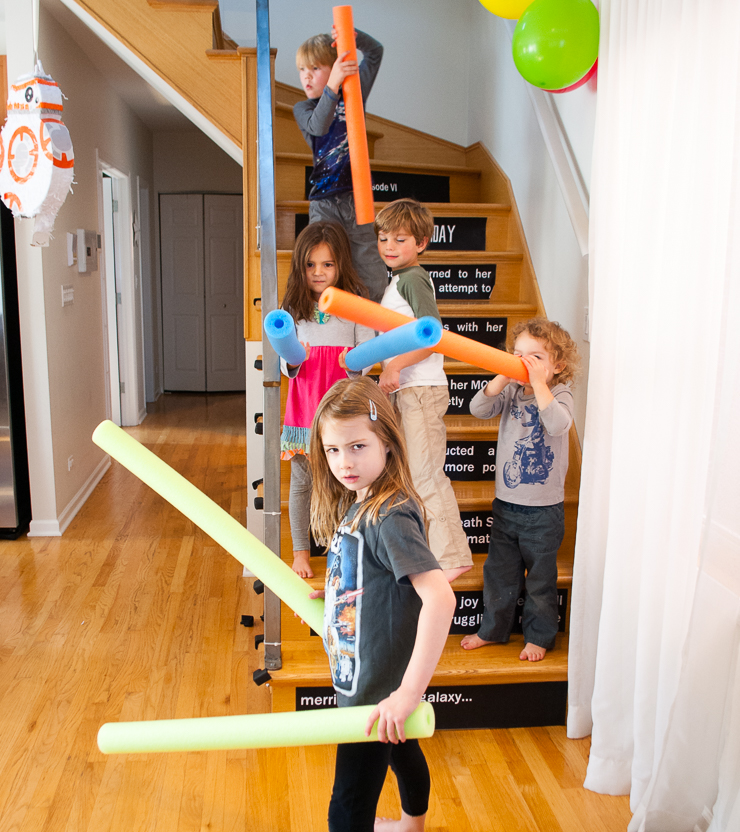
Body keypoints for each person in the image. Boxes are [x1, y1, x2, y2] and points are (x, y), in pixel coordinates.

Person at [308, 376, 456, 832]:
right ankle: (413, 825)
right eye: (333, 450)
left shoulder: (390, 514)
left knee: (347, 808)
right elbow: (371, 574)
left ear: (387, 443)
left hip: (376, 691)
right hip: (368, 678)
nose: (344, 462)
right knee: (403, 746)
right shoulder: (361, 500)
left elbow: (440, 598)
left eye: (357, 447)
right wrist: (334, 591)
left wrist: (407, 693)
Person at [462, 318, 580, 662]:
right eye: (518, 355)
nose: (525, 363)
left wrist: (540, 384)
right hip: (506, 505)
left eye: (536, 357)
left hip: (544, 510)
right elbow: (477, 408)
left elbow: (558, 423)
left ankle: (539, 636)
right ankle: (493, 630)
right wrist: (503, 375)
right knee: (498, 572)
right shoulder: (511, 390)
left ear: (557, 365)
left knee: (541, 582)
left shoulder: (559, 393)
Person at [375, 198, 473, 582]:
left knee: (425, 475)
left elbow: (431, 334)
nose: (389, 246)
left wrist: (396, 365)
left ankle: (453, 557)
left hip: (420, 388)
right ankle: (427, 554)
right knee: (410, 475)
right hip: (408, 388)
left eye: (400, 238)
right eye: (384, 238)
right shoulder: (398, 280)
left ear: (421, 243)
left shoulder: (413, 278)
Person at [280, 222, 375, 579]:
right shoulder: (291, 307)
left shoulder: (356, 306)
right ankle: (301, 551)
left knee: (345, 482)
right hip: (305, 412)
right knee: (303, 483)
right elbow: (284, 365)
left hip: (343, 412)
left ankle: (344, 547)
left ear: (342, 265)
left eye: (328, 264)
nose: (319, 273)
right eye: (311, 265)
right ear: (300, 267)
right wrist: (293, 357)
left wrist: (352, 360)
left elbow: (366, 357)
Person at [294, 26, 388, 303]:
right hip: (324, 201)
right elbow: (319, 127)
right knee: (323, 260)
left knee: (369, 264)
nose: (306, 76)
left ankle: (373, 324)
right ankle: (326, 320)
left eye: (314, 67)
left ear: (335, 66)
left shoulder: (353, 94)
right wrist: (332, 85)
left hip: (357, 197)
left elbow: (375, 53)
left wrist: (353, 34)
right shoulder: (303, 108)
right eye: (302, 69)